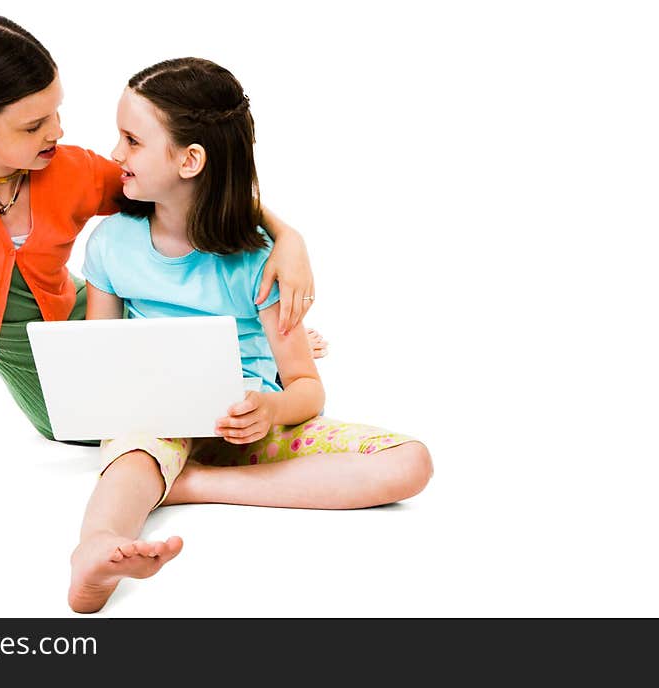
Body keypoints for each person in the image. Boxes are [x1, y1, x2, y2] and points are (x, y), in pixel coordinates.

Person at [0, 15, 322, 525]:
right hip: (37, 350)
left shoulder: (67, 166)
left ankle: (257, 354)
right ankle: (243, 372)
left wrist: (287, 237)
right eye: (33, 125)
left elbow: (193, 189)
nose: (57, 131)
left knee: (174, 410)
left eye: (56, 111)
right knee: (85, 425)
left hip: (105, 320)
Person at [69, 58, 434, 613]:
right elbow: (102, 358)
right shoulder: (109, 244)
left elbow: (308, 389)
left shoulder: (258, 260)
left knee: (411, 464)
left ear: (191, 160)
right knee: (130, 461)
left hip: (249, 426)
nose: (115, 154)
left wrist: (270, 408)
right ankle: (93, 551)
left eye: (131, 140)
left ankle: (192, 484)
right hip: (155, 424)